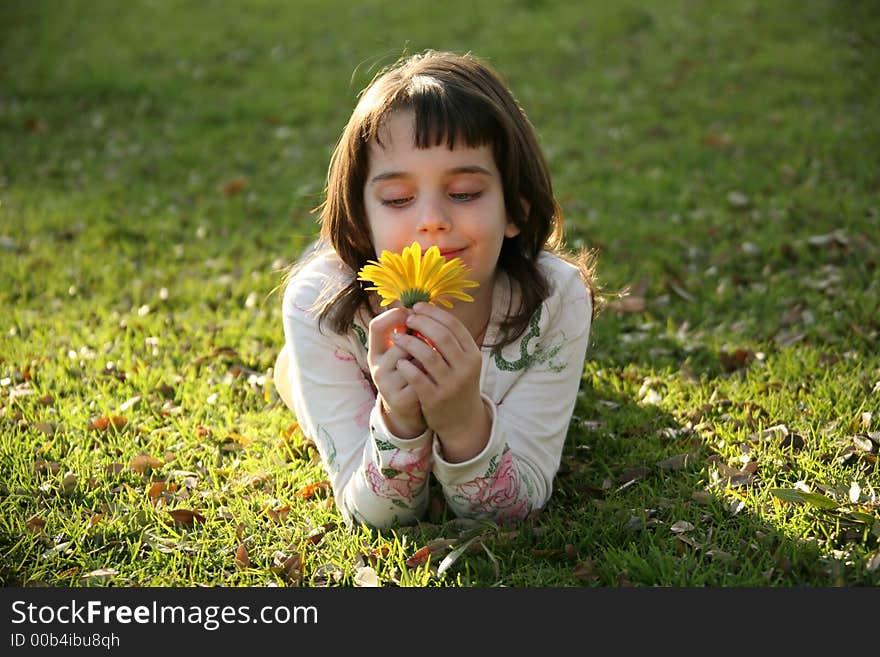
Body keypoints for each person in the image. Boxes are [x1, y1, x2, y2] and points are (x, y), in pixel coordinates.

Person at [274, 49, 599, 529]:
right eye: (398, 199)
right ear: (361, 221)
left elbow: (517, 505)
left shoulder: (556, 301)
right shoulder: (318, 311)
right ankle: (291, 371)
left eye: (465, 192)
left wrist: (463, 420)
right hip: (338, 314)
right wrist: (398, 419)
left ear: (517, 210)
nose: (431, 221)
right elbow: (375, 515)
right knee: (293, 374)